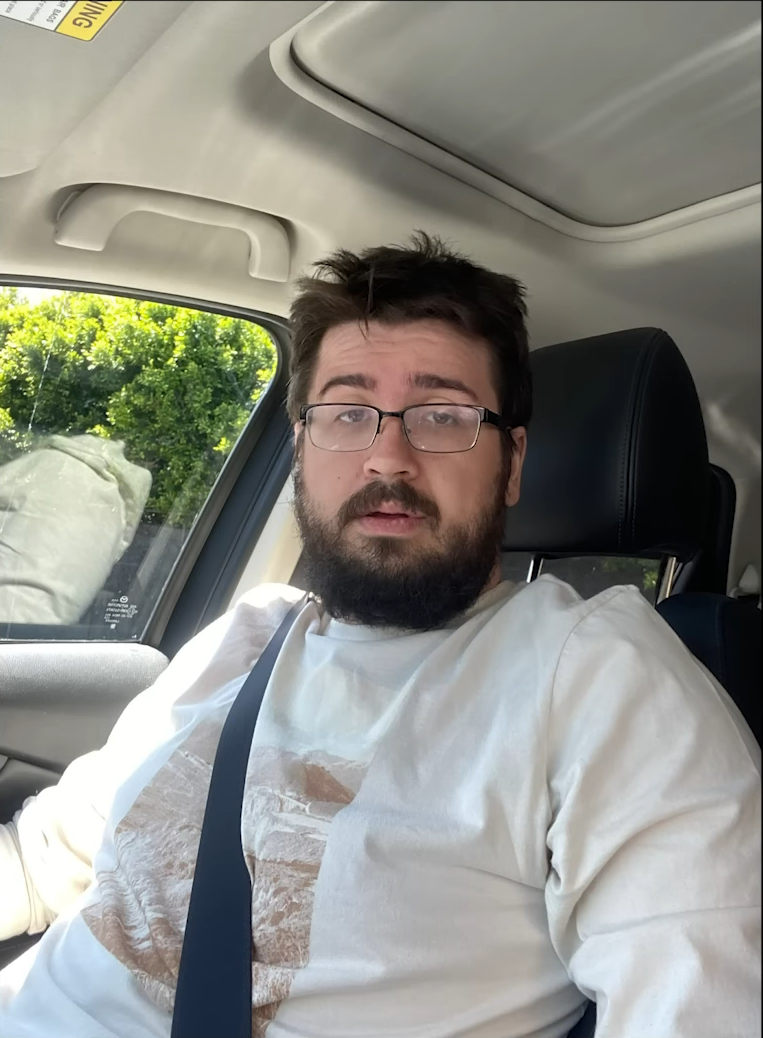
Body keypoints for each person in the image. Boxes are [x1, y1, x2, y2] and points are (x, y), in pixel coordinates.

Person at [0, 234, 759, 1037]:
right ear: (301, 448)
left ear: (511, 463)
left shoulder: (598, 674)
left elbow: (696, 1000)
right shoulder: (245, 636)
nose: (387, 458)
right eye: (346, 413)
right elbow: (46, 858)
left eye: (443, 415)